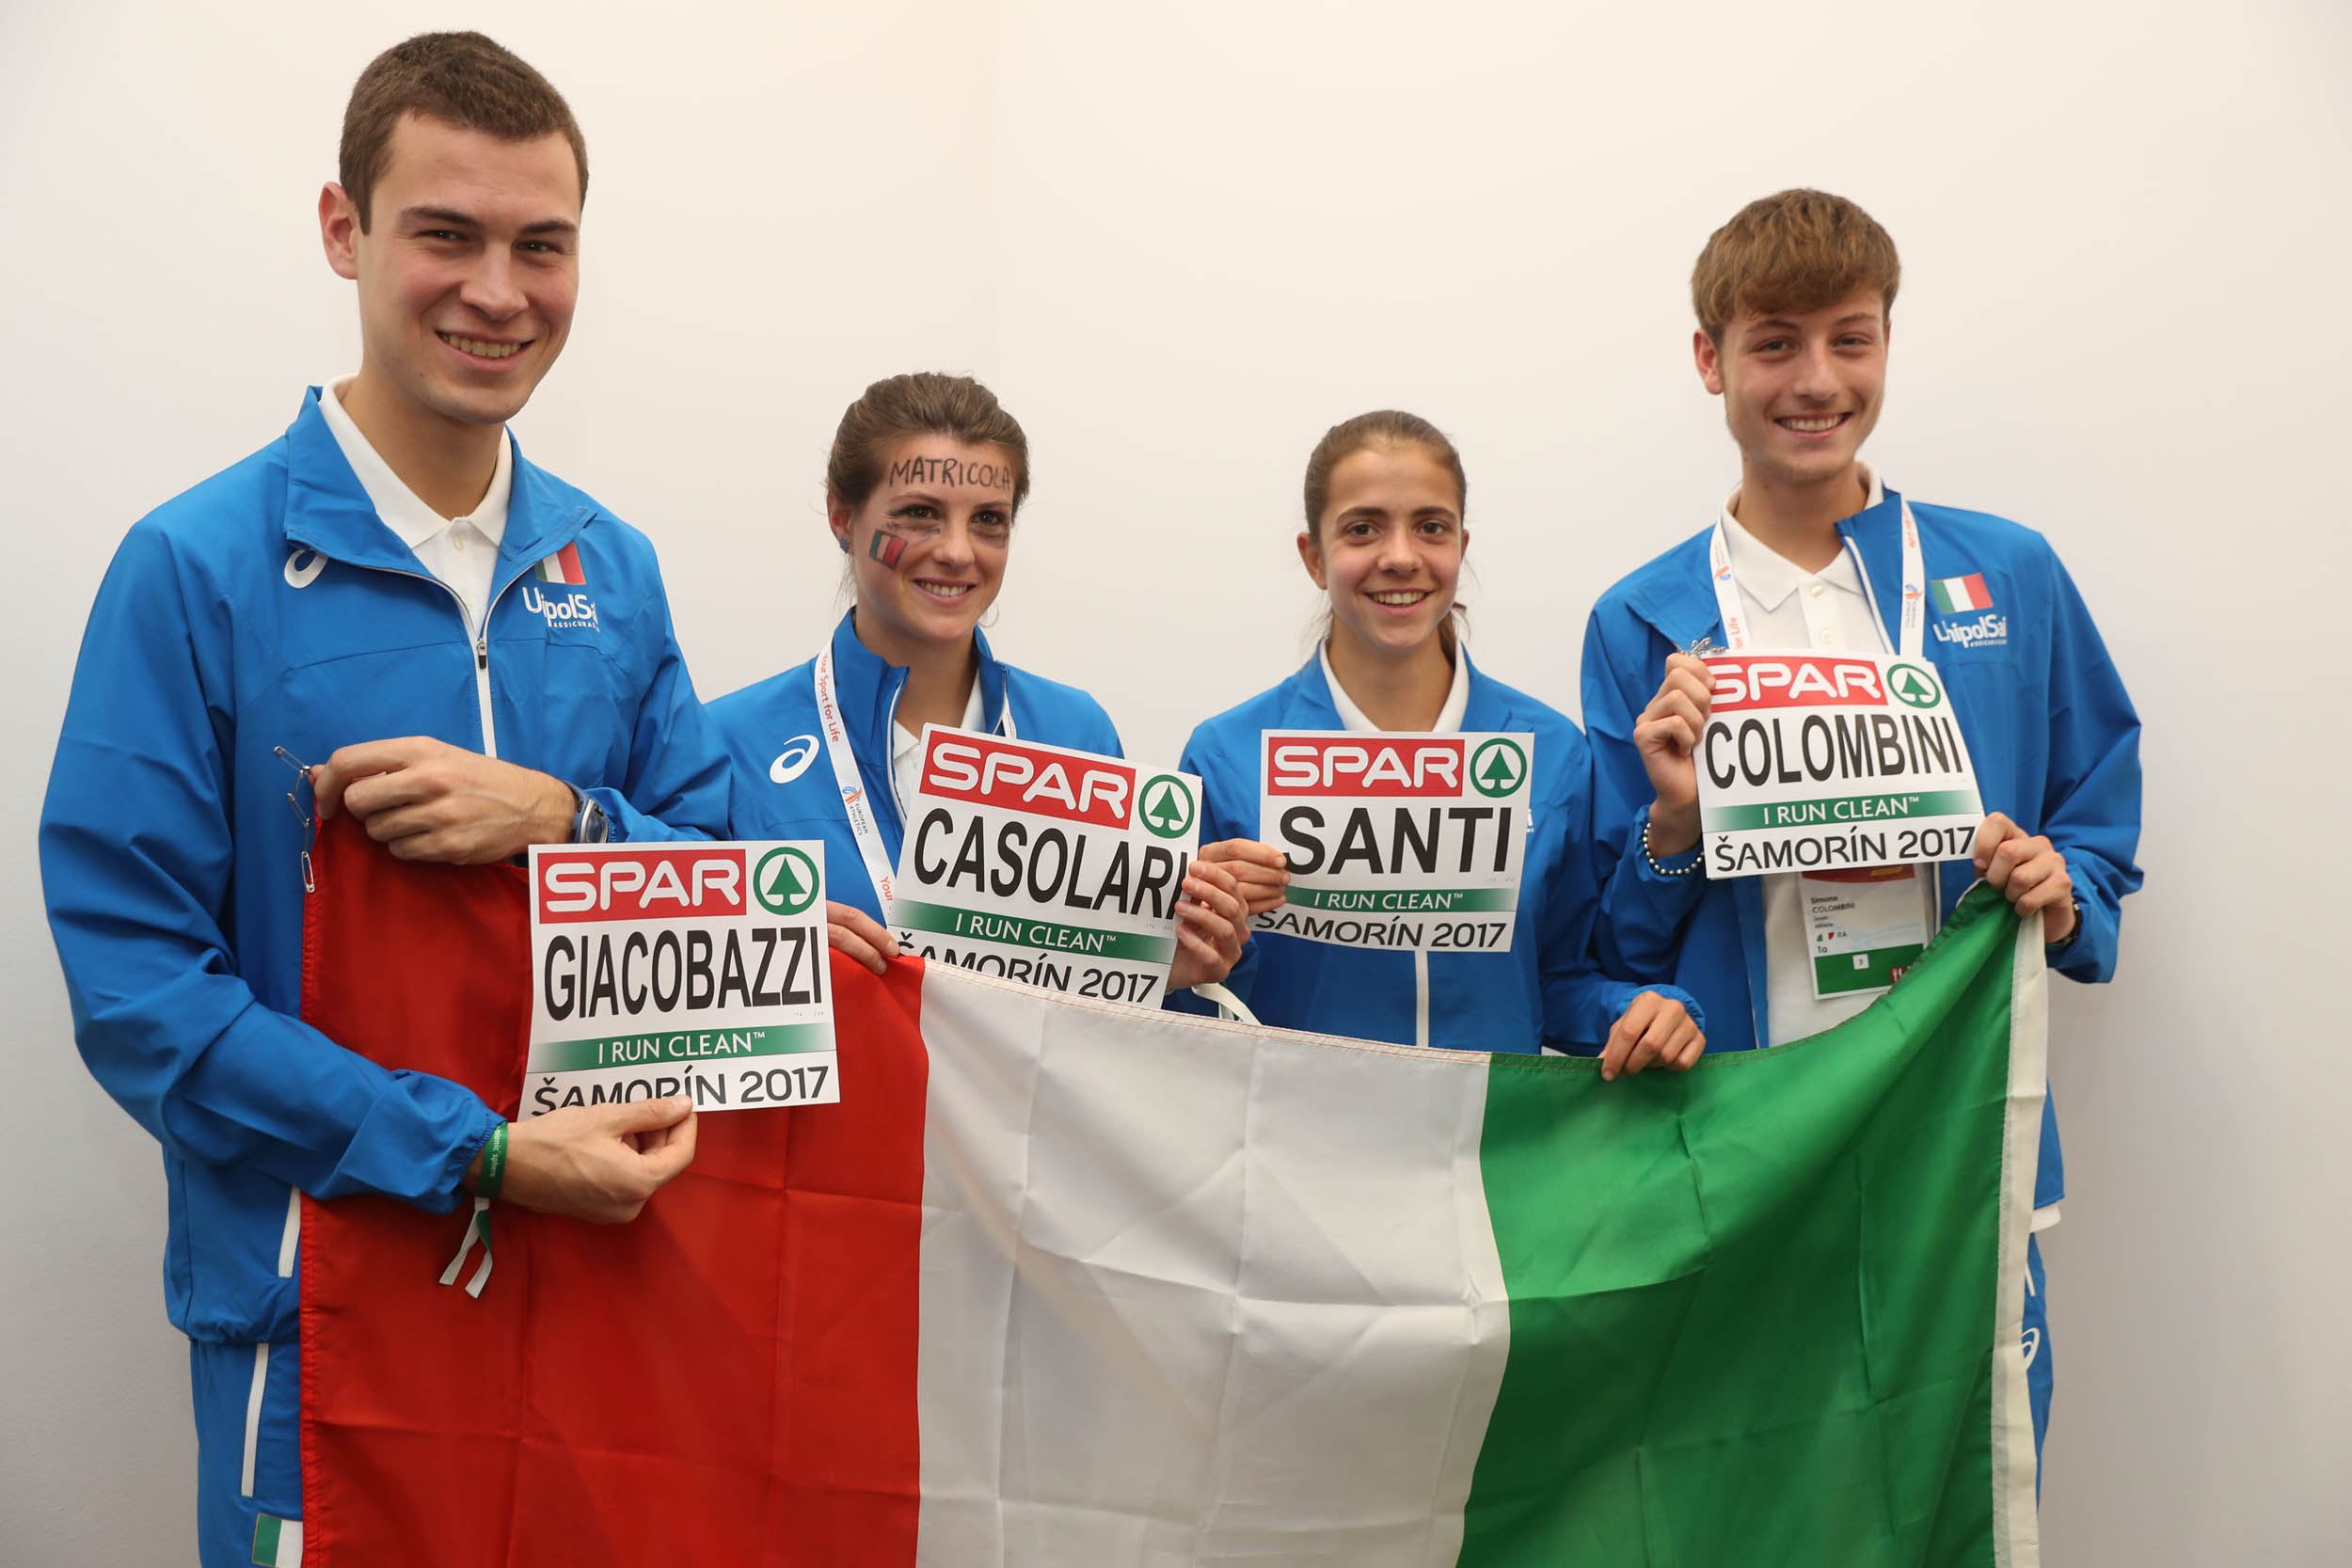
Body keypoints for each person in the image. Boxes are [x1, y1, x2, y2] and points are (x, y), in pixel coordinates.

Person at [38, 34, 734, 1566]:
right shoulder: (195, 569)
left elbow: (721, 888)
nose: (499, 290)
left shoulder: (613, 571)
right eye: (447, 233)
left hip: (598, 1316)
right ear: (344, 230)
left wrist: (563, 816)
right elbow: (143, 994)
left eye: (540, 245)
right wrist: (471, 1151)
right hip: (322, 1329)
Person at [1581, 189, 2143, 1466]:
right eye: (1774, 343)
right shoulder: (1644, 619)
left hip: (1958, 1127)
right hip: (1752, 1144)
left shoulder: (2008, 573)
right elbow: (1613, 944)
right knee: (1767, 1498)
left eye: (1851, 338)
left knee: (1969, 1491)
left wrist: (2062, 885)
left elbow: (2099, 818)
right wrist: (1673, 819)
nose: (1817, 380)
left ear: (1888, 341)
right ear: (1710, 358)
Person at [1176, 410, 1704, 1068]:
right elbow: (1193, 1018)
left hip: (1492, 1130)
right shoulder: (1225, 757)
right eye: (1363, 528)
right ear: (1313, 557)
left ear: (1461, 545)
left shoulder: (1553, 752)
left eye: (1431, 527)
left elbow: (1558, 981)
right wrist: (1209, 947)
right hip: (1301, 1127)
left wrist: (1640, 1010)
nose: (1401, 557)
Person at [708, 372, 1251, 994]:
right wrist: (759, 951)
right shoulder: (727, 744)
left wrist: (1163, 971)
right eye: (920, 514)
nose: (958, 552)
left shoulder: (1075, 732)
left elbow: (1092, 1013)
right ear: (842, 516)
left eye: (989, 520)